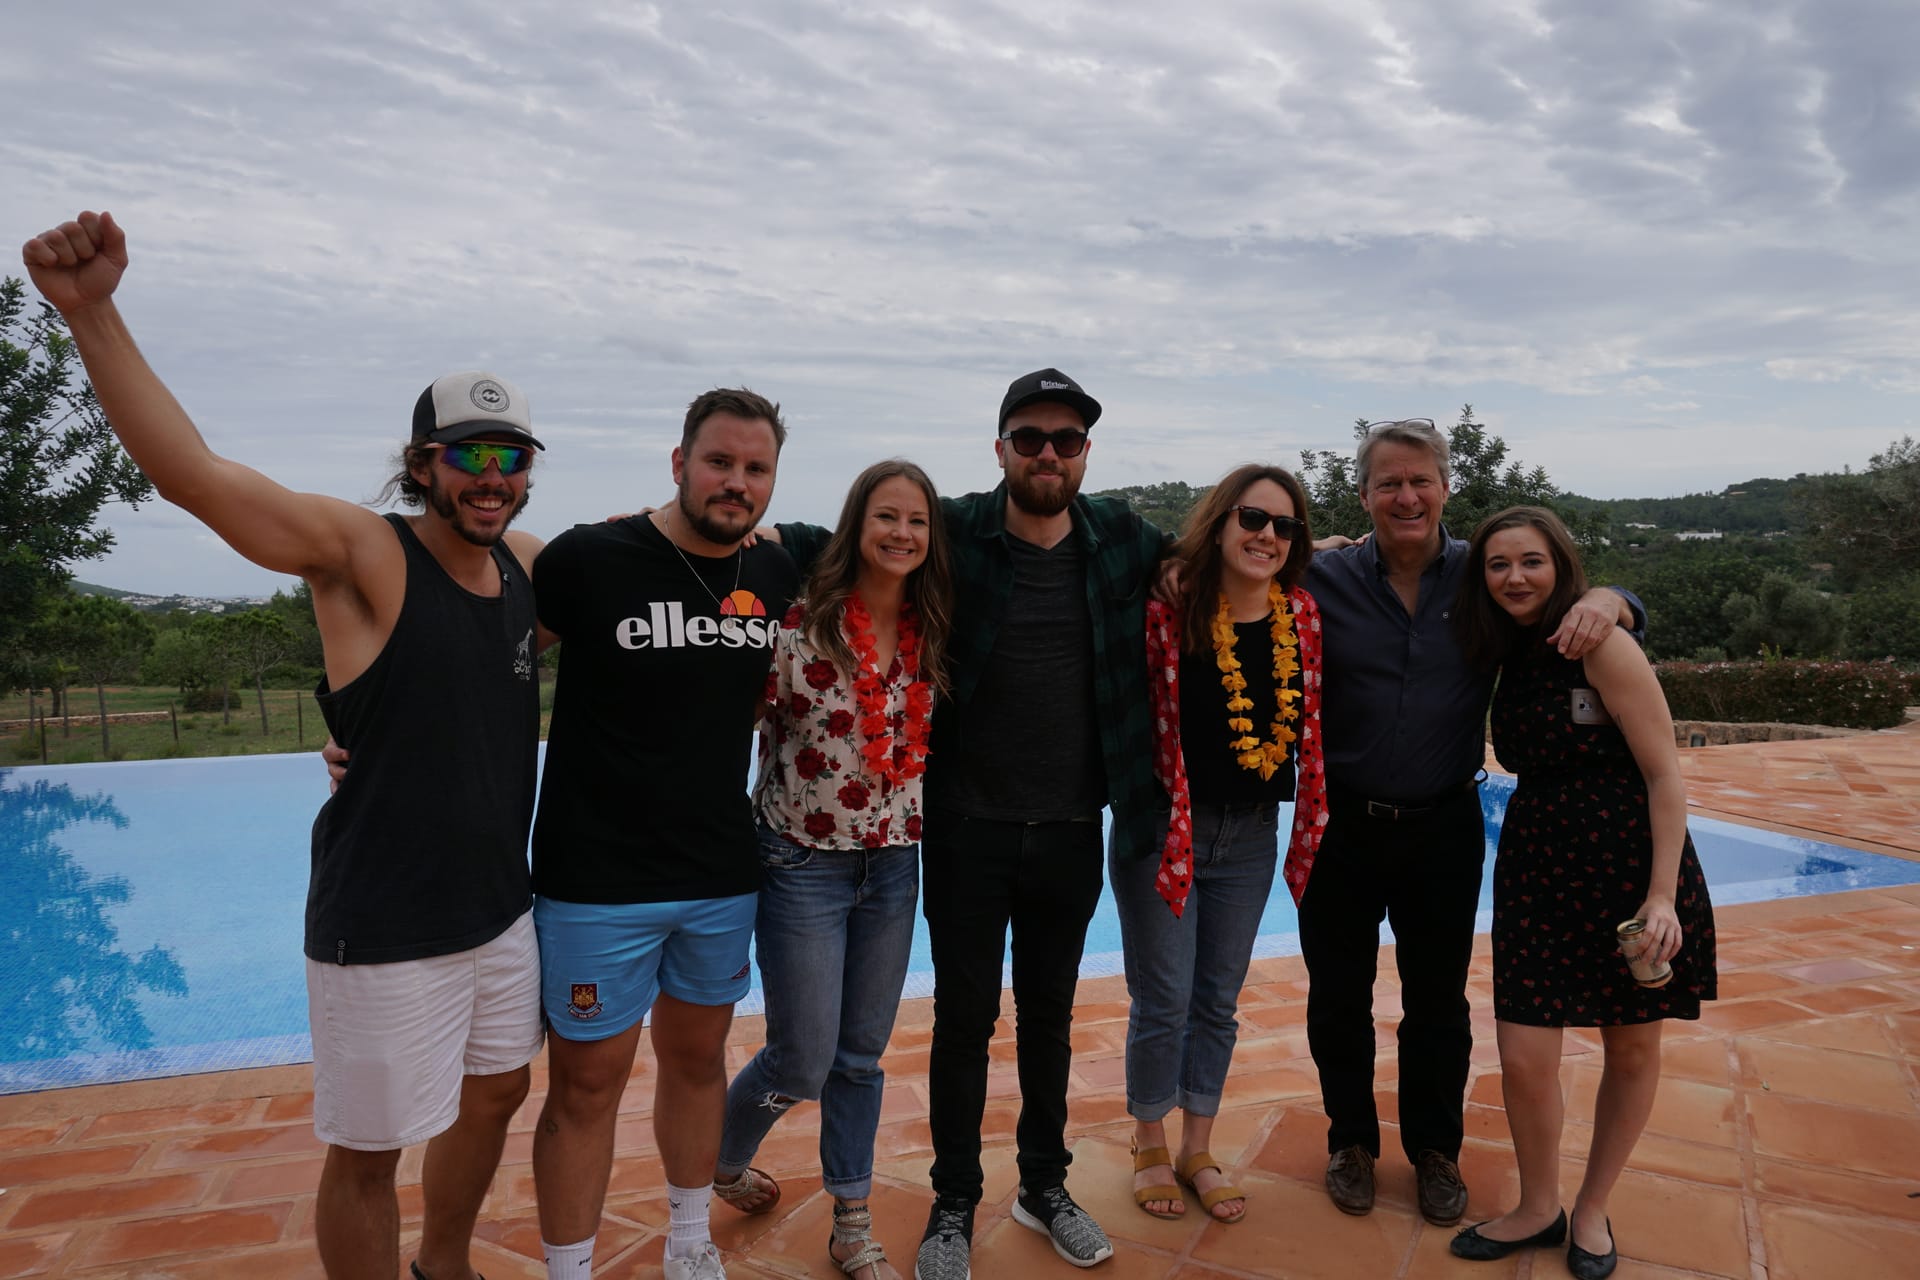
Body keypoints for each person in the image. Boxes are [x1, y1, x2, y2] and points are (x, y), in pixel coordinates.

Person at [23, 211, 547, 1280]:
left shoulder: (526, 568)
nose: (491, 476)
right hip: (385, 918)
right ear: (424, 463)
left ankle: (444, 1264)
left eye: (511, 457)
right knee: (367, 1151)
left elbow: (653, 562)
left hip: (501, 907)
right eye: (470, 456)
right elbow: (197, 477)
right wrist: (92, 314)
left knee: (498, 1090)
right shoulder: (362, 550)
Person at [774, 369, 1166, 1279]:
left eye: (1066, 440)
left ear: (1085, 454)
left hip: (1070, 826)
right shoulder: (954, 531)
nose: (1047, 454)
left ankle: (1043, 1186)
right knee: (963, 1023)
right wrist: (734, 536)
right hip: (963, 826)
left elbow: (1211, 557)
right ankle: (954, 1199)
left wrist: (1324, 545)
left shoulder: (1120, 538)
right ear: (1000, 449)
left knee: (1050, 1020)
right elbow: (832, 539)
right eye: (1029, 438)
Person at [1299, 418, 1643, 1227]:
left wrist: (1613, 598)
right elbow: (1230, 575)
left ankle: (1435, 1151)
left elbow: (1565, 591)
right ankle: (1351, 1143)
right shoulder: (1323, 577)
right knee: (1337, 997)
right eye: (1389, 483)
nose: (1406, 496)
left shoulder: (1482, 575)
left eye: (1420, 480)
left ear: (1446, 488)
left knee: (1438, 1002)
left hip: (1444, 825)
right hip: (1340, 825)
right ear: (1363, 494)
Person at [528, 390, 799, 1280]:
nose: (736, 482)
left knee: (697, 1063)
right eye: (719, 462)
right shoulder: (590, 558)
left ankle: (689, 1243)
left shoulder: (777, 569)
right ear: (679, 463)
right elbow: (482, 650)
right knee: (585, 1085)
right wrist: (364, 734)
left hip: (718, 872)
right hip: (595, 879)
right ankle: (570, 1270)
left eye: (756, 468)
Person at [1447, 507, 1716, 1279]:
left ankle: (1592, 1206)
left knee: (1630, 1047)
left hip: (1629, 869)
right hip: (1537, 866)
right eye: (1498, 564)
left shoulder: (1601, 642)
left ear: (1560, 565)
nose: (1514, 577)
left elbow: (1664, 774)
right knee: (1525, 1054)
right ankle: (1539, 1206)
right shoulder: (1506, 647)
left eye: (1530, 561)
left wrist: (1661, 897)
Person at [709, 460, 954, 1280]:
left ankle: (852, 1221)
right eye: (887, 516)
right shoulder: (798, 626)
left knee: (859, 1058)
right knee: (801, 1058)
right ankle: (722, 1155)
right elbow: (719, 720)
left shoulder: (934, 628)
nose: (902, 533)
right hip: (800, 864)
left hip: (893, 866)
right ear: (857, 524)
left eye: (917, 520)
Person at [1116, 465, 1327, 1226]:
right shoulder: (1168, 609)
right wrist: (1168, 562)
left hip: (1251, 834)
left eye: (1284, 525)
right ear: (1220, 522)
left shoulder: (1301, 614)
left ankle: (1197, 1147)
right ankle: (1148, 1140)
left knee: (1217, 1001)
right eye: (1253, 518)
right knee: (1164, 998)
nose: (1267, 535)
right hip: (1167, 827)